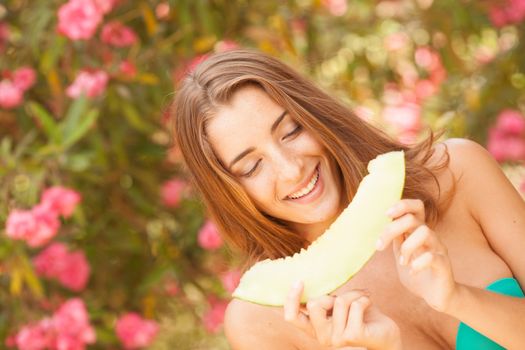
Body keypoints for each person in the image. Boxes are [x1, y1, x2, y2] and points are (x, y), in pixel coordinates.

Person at [171, 49, 525, 349]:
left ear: (315, 114)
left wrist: (456, 298)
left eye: (291, 131)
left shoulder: (457, 171)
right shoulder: (257, 321)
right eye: (251, 167)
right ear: (229, 192)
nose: (291, 170)